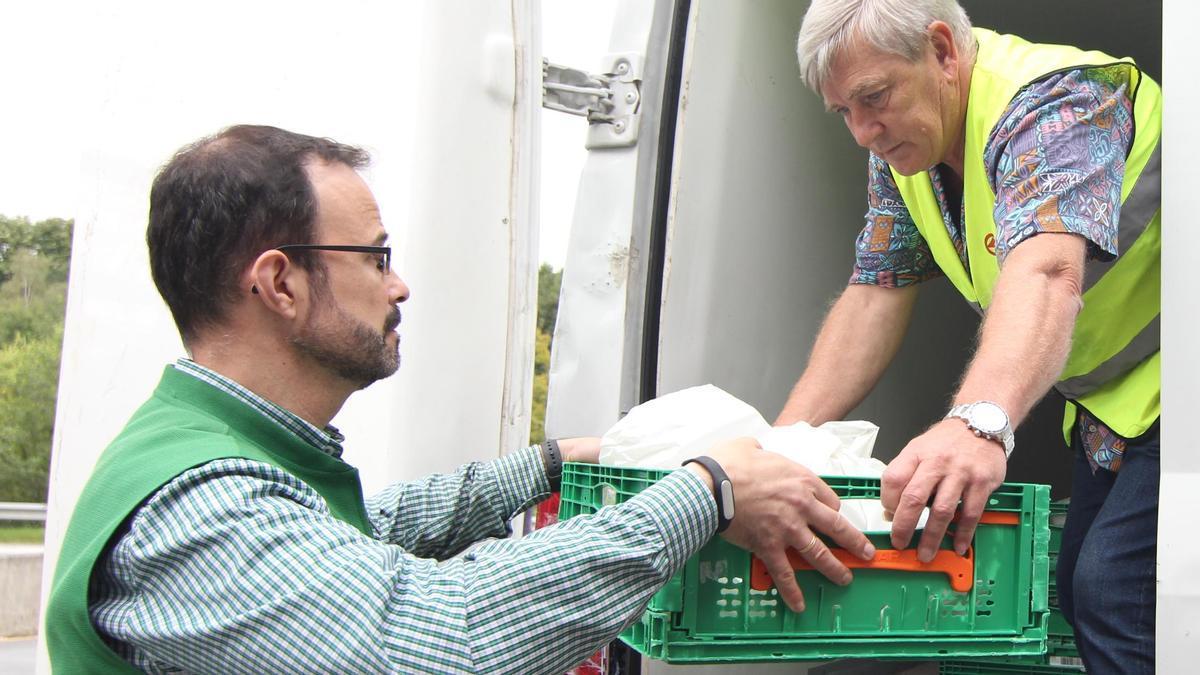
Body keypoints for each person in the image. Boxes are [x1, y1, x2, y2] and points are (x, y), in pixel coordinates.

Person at [45, 125, 876, 674]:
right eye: (373, 258)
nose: (398, 284)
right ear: (279, 283)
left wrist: (550, 462)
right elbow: (444, 638)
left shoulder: (213, 447)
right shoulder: (200, 512)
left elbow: (370, 530)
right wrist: (707, 489)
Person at [777, 1, 1160, 672]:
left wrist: (978, 423)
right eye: (845, 112)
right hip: (1120, 404)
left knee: (1116, 592)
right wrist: (778, 451)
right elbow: (875, 291)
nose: (864, 131)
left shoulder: (1058, 103)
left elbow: (1046, 270)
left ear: (944, 52)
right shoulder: (905, 152)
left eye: (874, 97)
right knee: (1077, 586)